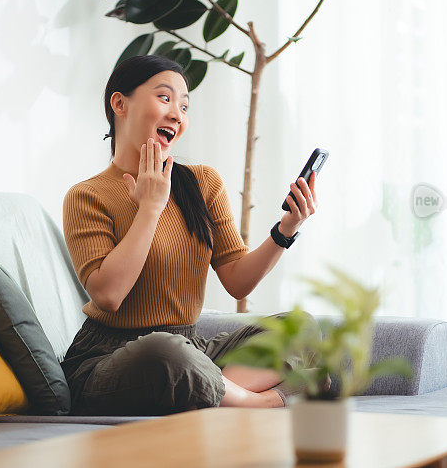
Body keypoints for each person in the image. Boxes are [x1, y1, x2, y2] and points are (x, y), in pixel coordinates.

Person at [60, 54, 328, 416]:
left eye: (184, 106)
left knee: (299, 328)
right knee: (163, 352)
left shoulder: (202, 183)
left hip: (190, 348)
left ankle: (207, 389)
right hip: (112, 359)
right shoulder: (86, 196)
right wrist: (150, 208)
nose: (177, 114)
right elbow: (108, 295)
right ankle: (260, 401)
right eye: (165, 98)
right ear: (119, 103)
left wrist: (287, 229)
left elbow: (236, 280)